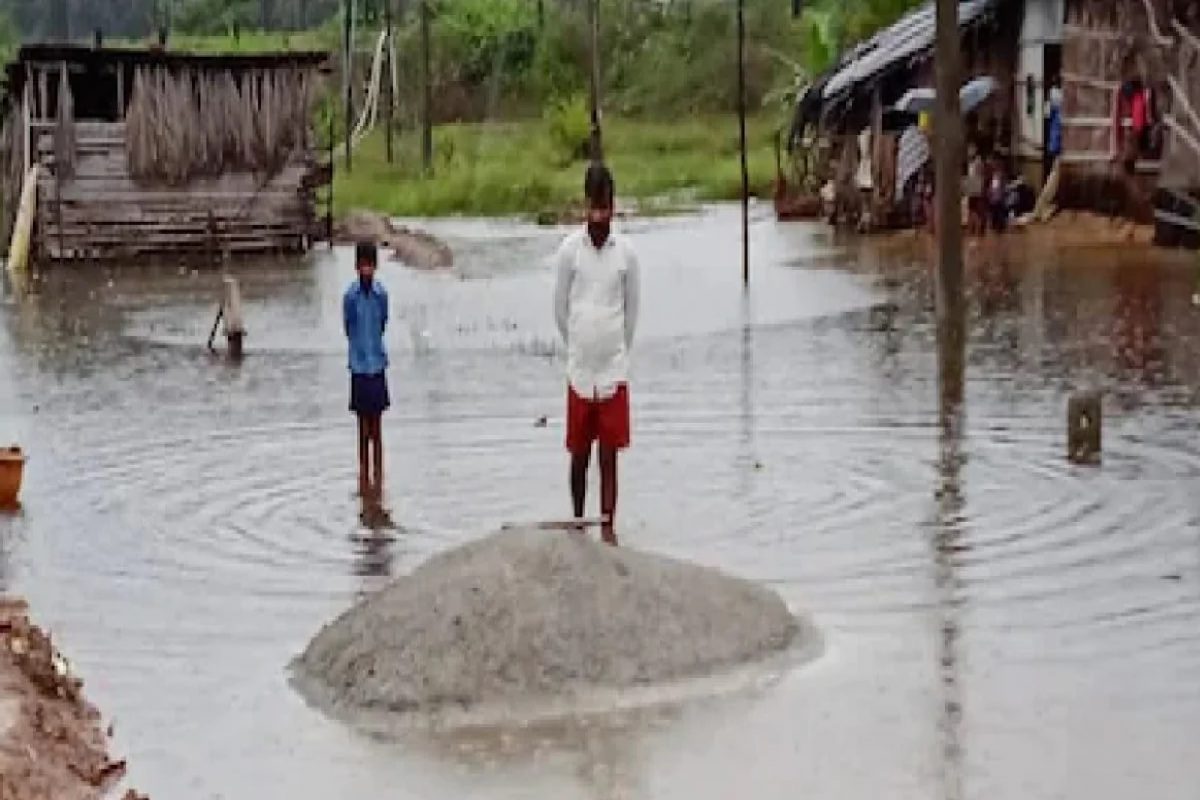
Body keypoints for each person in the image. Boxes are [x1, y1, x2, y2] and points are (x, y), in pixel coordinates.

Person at [553, 163, 640, 546]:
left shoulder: (627, 255)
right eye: (595, 208)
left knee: (609, 455)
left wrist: (615, 349)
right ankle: (577, 520)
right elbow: (559, 309)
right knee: (579, 454)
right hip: (580, 369)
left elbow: (632, 314)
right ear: (585, 206)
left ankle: (607, 526)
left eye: (606, 209)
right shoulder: (569, 252)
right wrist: (578, 343)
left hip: (612, 370)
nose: (600, 217)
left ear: (613, 207)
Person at [343, 241, 390, 504]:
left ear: (376, 266)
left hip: (377, 364)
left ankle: (379, 479)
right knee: (362, 429)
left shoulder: (382, 295)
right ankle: (364, 479)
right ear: (356, 267)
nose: (366, 270)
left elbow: (382, 322)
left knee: (378, 428)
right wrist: (360, 351)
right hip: (359, 367)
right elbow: (348, 327)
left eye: (370, 265)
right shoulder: (350, 297)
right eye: (362, 265)